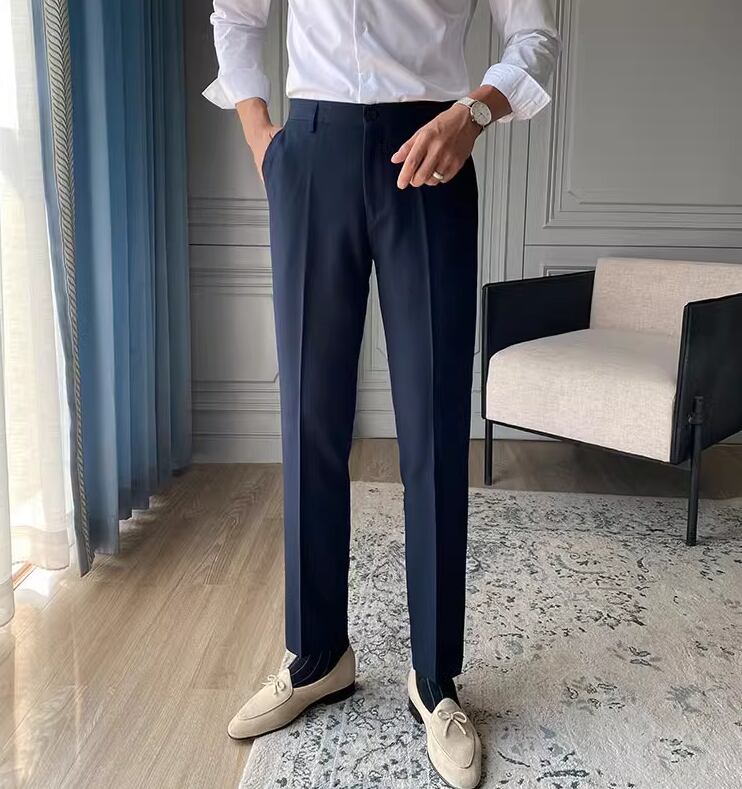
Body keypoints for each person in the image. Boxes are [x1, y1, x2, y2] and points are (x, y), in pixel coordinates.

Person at [205, 2, 559, 786]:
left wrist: (474, 112)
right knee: (309, 418)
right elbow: (235, 14)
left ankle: (434, 678)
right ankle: (317, 656)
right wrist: (262, 136)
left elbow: (534, 34)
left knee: (434, 425)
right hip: (312, 149)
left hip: (432, 149)